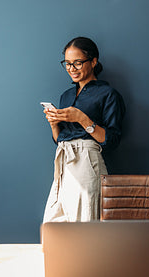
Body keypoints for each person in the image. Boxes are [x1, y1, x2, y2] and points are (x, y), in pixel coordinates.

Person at [42, 36, 125, 222]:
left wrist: (82, 118)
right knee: (54, 225)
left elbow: (111, 140)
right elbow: (60, 138)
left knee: (84, 225)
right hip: (63, 161)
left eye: (77, 63)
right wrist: (54, 124)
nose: (72, 69)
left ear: (93, 61)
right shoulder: (66, 96)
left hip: (87, 161)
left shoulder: (108, 94)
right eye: (67, 63)